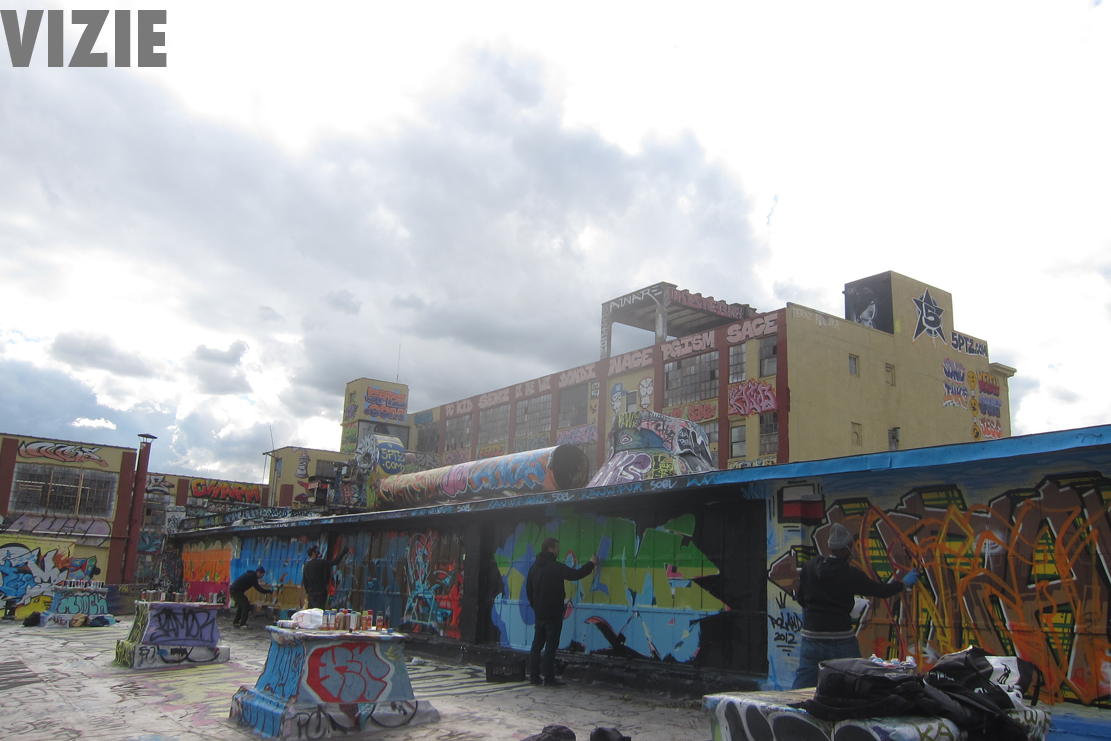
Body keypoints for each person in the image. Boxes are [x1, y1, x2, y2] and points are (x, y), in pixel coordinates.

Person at [791, 522, 919, 689]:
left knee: (803, 681)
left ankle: (790, 705)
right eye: (850, 547)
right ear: (844, 550)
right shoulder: (850, 574)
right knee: (856, 679)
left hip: (811, 637)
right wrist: (903, 583)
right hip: (840, 639)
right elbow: (880, 590)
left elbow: (801, 599)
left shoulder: (809, 567)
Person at [526, 537, 599, 687]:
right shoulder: (555, 567)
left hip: (540, 614)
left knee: (537, 645)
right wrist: (591, 563)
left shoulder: (534, 568)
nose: (558, 550)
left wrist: (536, 607)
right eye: (557, 548)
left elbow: (529, 590)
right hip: (553, 613)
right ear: (550, 549)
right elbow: (576, 575)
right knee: (551, 646)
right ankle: (548, 678)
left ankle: (534, 676)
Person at [302, 543, 350, 610]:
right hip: (319, 594)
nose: (318, 552)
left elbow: (305, 581)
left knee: (311, 613)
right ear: (313, 553)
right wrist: (343, 553)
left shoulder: (306, 566)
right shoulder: (320, 562)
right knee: (319, 612)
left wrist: (308, 591)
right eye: (316, 551)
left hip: (310, 594)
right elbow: (335, 562)